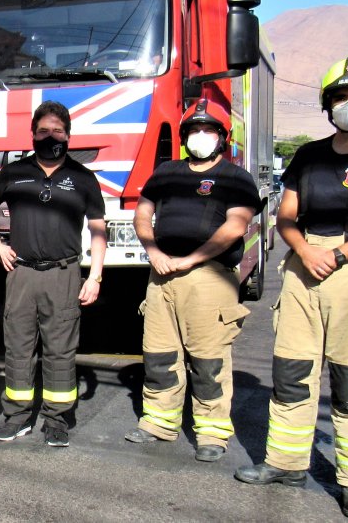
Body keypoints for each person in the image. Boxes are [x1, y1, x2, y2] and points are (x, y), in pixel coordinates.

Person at [236, 56, 348, 521]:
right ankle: (285, 463)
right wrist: (305, 251)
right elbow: (286, 216)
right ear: (328, 104)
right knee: (292, 374)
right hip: (303, 266)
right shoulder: (309, 156)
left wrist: (337, 255)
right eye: (340, 97)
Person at [124, 98, 260, 462]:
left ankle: (212, 432)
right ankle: (158, 422)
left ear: (222, 137)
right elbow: (142, 214)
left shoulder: (236, 178)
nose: (201, 136)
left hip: (209, 277)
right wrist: (152, 250)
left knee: (208, 358)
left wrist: (192, 258)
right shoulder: (166, 172)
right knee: (159, 354)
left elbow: (236, 225)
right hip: (161, 275)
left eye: (209, 130)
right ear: (185, 137)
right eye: (195, 130)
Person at [0, 101, 106, 447]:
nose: (50, 136)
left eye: (57, 130)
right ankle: (17, 416)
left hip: (64, 274)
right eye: (43, 131)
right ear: (33, 134)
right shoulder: (14, 172)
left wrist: (95, 276)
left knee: (60, 350)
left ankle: (57, 418)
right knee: (18, 348)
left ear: (67, 135)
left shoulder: (83, 178)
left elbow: (99, 229)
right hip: (21, 272)